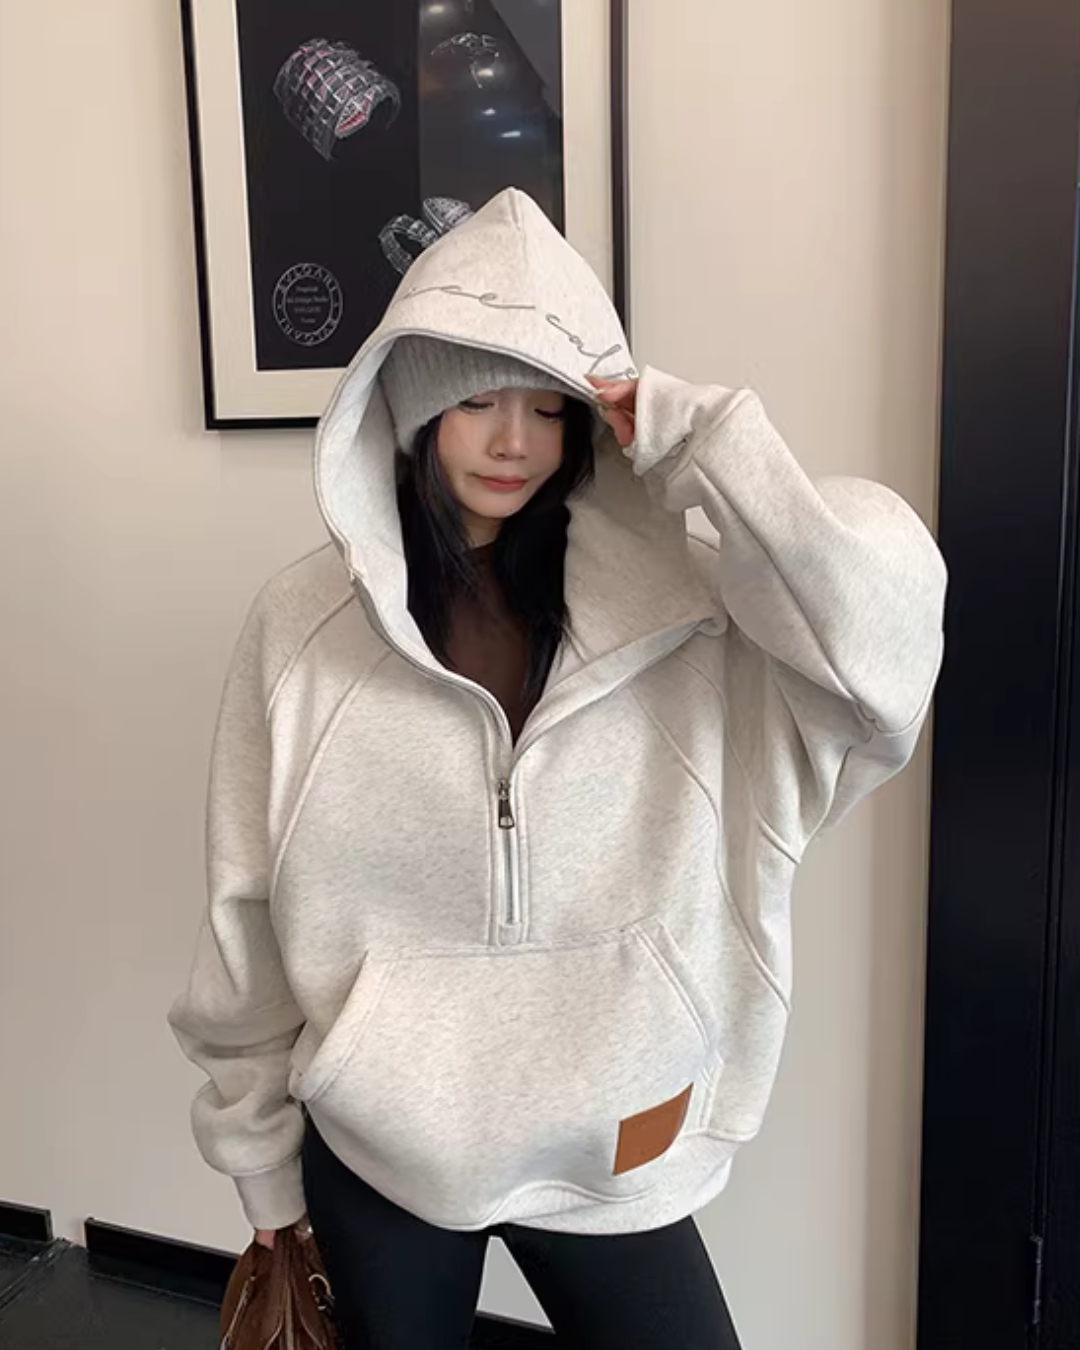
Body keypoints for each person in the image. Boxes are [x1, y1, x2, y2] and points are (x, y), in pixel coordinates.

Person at [169, 188, 947, 1349]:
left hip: (613, 1133)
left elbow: (882, 666)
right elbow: (246, 907)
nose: (515, 442)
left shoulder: (690, 615)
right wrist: (260, 1165)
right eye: (476, 400)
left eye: (547, 407)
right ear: (412, 405)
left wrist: (716, 448)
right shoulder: (302, 630)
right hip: (383, 1147)